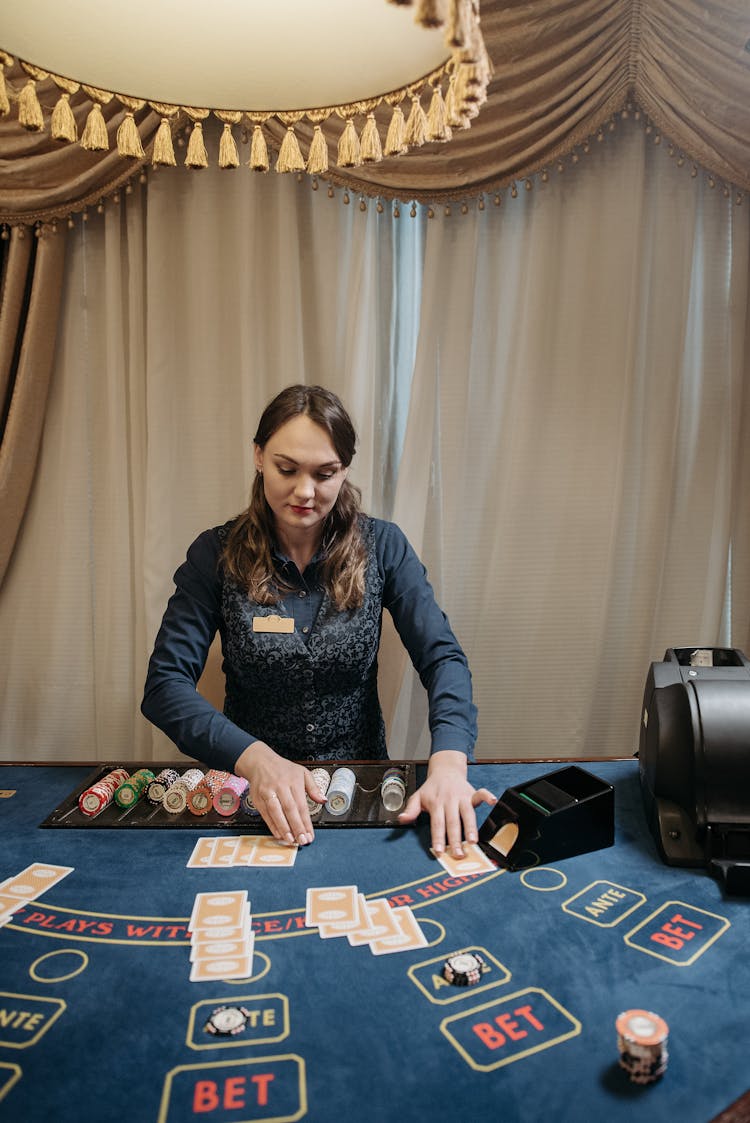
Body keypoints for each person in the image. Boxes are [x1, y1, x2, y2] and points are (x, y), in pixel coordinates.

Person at [141, 384, 495, 857]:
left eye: (325, 474)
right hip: (252, 796)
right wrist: (257, 760)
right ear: (259, 456)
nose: (305, 491)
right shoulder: (215, 554)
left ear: (344, 470)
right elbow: (165, 686)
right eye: (287, 469)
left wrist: (450, 763)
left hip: (364, 794)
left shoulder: (384, 547)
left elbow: (442, 657)